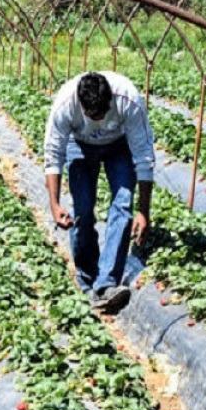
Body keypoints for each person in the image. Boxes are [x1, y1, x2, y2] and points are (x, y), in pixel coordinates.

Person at [44, 71, 154, 312]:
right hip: (80, 145)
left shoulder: (128, 100)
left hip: (119, 146)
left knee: (123, 205)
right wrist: (54, 203)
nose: (99, 119)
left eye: (103, 112)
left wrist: (144, 211)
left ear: (110, 100)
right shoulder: (65, 105)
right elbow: (53, 155)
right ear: (81, 106)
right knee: (82, 211)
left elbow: (144, 157)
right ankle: (87, 280)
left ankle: (106, 284)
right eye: (93, 115)